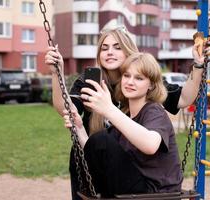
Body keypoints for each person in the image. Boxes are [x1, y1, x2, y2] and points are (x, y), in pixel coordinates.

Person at [45, 26, 210, 199]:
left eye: (117, 47)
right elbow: (67, 109)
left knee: (101, 141)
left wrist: (199, 65)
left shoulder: (150, 102)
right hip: (106, 163)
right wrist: (57, 74)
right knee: (91, 147)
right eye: (104, 48)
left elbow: (183, 100)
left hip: (146, 183)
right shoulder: (90, 84)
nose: (110, 52)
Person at [63, 52, 183, 197]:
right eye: (126, 76)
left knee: (102, 140)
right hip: (135, 188)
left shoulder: (154, 111)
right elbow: (95, 150)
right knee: (86, 148)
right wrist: (79, 127)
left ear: (151, 84)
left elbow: (151, 145)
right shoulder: (126, 116)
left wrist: (109, 110)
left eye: (139, 78)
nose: (130, 82)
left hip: (156, 193)